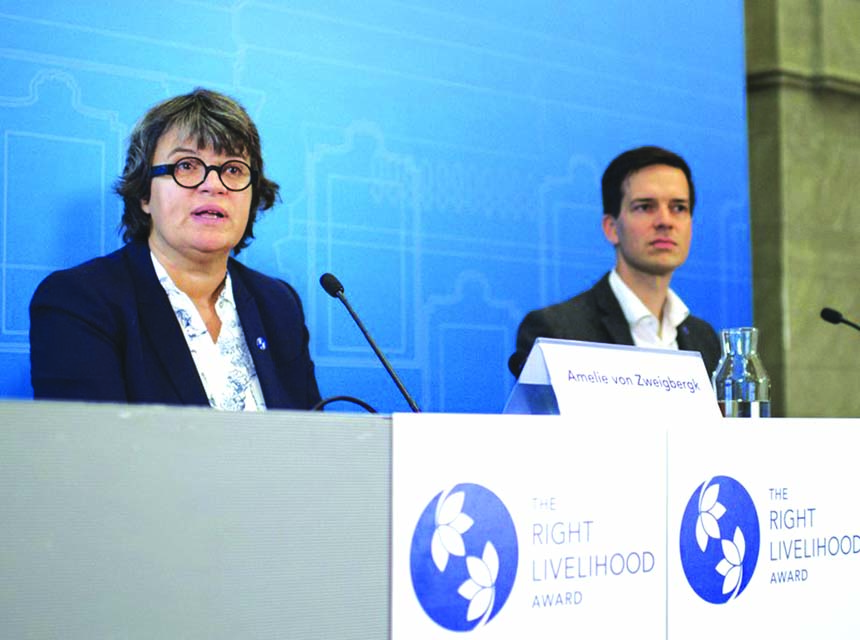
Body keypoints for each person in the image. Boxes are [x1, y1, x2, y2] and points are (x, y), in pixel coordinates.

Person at [29, 88, 321, 410]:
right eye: (186, 166)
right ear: (144, 194)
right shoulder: (81, 301)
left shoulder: (278, 305)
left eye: (234, 169)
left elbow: (308, 440)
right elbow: (90, 451)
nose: (214, 185)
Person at [509, 145, 720, 378]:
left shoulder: (706, 339)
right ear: (611, 228)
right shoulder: (557, 333)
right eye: (645, 207)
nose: (665, 221)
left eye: (678, 207)